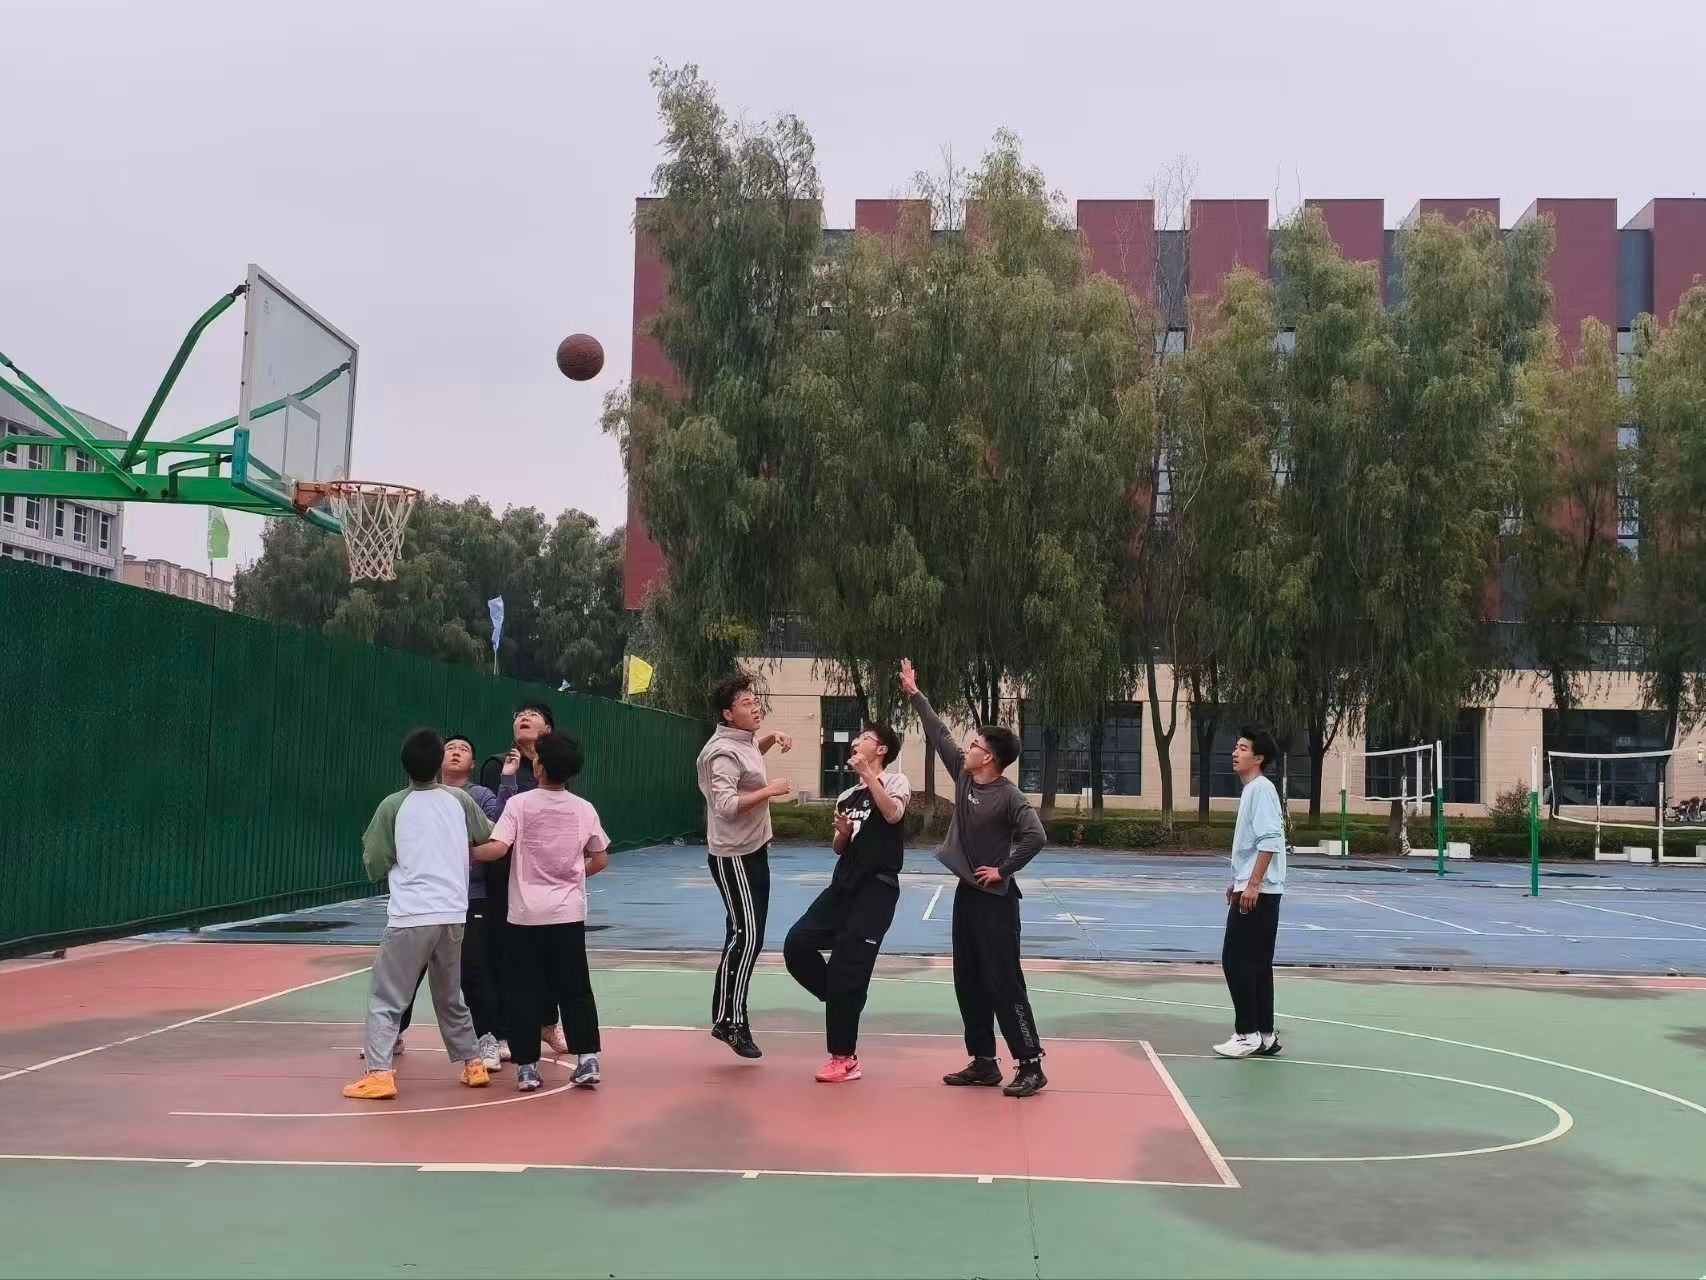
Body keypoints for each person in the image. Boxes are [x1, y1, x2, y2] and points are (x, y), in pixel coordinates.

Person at [898, 658, 1049, 1098]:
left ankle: (1031, 1064)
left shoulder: (1010, 796)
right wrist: (915, 694)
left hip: (997, 902)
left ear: (991, 758)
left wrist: (1003, 869)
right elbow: (939, 733)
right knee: (968, 979)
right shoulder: (965, 780)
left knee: (1004, 982)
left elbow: (1036, 836)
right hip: (967, 895)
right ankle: (984, 1061)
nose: (967, 750)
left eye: (975, 745)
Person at [343, 728, 494, 1100]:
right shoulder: (459, 799)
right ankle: (473, 1063)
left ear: (404, 765)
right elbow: (489, 835)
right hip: (453, 913)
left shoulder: (393, 805)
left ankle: (379, 1073)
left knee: (386, 996)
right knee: (450, 994)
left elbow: (375, 861)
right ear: (439, 762)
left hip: (411, 914)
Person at [474, 731, 611, 1093]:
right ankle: (587, 1059)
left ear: (539, 768)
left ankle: (527, 1068)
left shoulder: (519, 805)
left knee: (523, 988)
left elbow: (497, 848)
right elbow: (600, 858)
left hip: (526, 914)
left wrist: (460, 852)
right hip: (568, 914)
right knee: (575, 987)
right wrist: (574, 875)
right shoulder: (584, 808)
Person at [783, 723, 910, 1083]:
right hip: (842, 885)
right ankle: (843, 997)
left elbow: (893, 814)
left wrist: (869, 775)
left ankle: (844, 1058)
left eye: (864, 738)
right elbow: (840, 847)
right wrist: (841, 833)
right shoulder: (847, 796)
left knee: (847, 966)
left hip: (877, 889)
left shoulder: (896, 781)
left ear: (881, 749)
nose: (856, 741)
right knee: (796, 943)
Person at [695, 671, 793, 1059]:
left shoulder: (744, 740)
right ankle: (730, 1022)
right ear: (727, 714)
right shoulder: (721, 753)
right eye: (746, 704)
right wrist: (770, 791)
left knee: (745, 933)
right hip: (734, 855)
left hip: (754, 848)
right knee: (746, 935)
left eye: (755, 702)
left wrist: (770, 739)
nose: (755, 708)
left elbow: (748, 763)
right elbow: (725, 805)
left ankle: (726, 1016)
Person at [393, 735, 505, 1070]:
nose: (456, 752)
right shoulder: (409, 799)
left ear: (473, 764)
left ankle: (487, 1038)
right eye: (450, 748)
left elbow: (496, 836)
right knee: (408, 971)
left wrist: (458, 852)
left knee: (473, 969)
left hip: (469, 897)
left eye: (464, 749)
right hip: (421, 900)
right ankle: (392, 1033)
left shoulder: (479, 796)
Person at [479, 702, 568, 1057]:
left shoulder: (554, 768)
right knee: (504, 953)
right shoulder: (497, 765)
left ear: (548, 729)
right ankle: (502, 1032)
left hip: (543, 875)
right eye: (519, 714)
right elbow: (492, 819)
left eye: (533, 715)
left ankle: (547, 1023)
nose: (524, 718)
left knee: (546, 953)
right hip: (504, 873)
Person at [1215, 724, 1288, 1060]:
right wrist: (1241, 880)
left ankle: (1246, 1034)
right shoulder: (1256, 790)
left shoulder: (1260, 790)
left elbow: (1270, 840)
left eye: (1243, 748)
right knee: (1257, 963)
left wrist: (1254, 884)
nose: (1235, 753)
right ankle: (1265, 1035)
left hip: (1261, 891)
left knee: (1236, 960)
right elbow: (1255, 844)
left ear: (1258, 758)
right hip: (1258, 887)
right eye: (1236, 747)